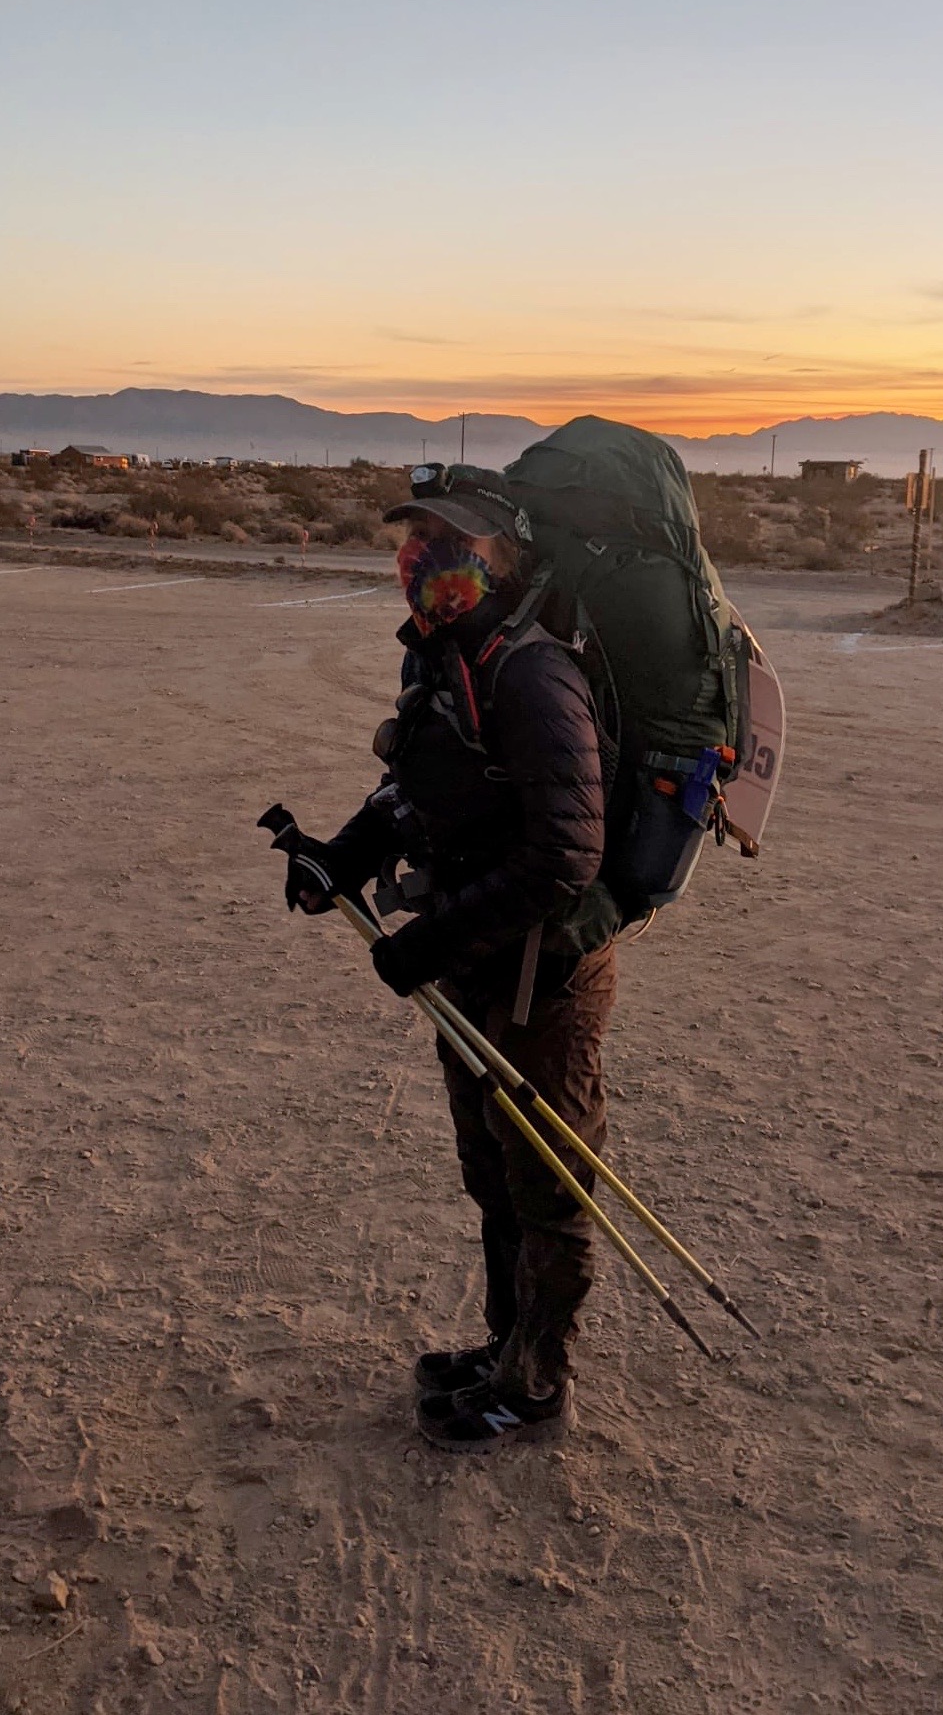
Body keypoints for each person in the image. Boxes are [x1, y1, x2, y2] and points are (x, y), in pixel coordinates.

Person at [285, 473, 621, 1451]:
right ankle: (503, 1341)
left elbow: (566, 854)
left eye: (450, 539)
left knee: (546, 1181)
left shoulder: (533, 674)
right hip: (473, 964)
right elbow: (414, 791)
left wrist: (427, 939)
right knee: (491, 1171)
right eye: (416, 536)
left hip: (540, 978)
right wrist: (337, 857)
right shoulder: (446, 657)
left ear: (504, 558)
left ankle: (538, 1378)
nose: (425, 555)